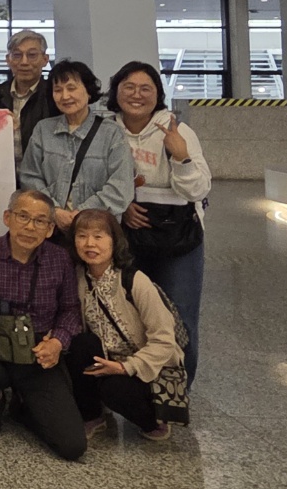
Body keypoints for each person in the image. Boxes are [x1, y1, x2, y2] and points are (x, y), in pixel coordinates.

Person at [0, 189, 86, 460]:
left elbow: (71, 310)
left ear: (50, 229)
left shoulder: (60, 260)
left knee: (72, 446)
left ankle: (23, 407)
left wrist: (58, 341)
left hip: (38, 352)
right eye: (23, 216)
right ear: (7, 218)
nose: (30, 227)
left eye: (39, 221)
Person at [107, 61, 211, 383]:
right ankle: (136, 392)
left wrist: (181, 156)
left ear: (158, 94)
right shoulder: (107, 130)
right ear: (116, 91)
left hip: (178, 239)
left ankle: (177, 393)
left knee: (179, 317)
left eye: (145, 88)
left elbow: (199, 189)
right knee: (129, 314)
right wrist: (123, 204)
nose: (136, 95)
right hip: (126, 237)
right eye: (128, 87)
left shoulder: (177, 131)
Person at [66, 209, 184, 441]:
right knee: (80, 344)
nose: (90, 244)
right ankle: (92, 416)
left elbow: (164, 341)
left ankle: (152, 420)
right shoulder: (78, 277)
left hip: (145, 365)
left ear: (114, 240)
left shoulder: (135, 281)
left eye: (98, 236)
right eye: (82, 236)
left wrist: (125, 367)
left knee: (115, 389)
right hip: (107, 358)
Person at [19, 60, 134, 233]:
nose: (65, 96)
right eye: (58, 90)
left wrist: (81, 214)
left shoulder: (112, 133)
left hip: (96, 230)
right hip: (51, 228)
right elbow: (30, 176)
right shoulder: (43, 129)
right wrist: (55, 211)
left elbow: (121, 187)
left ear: (88, 91)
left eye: (71, 88)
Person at [0, 29, 59, 174]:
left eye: (32, 55)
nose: (24, 62)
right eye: (17, 55)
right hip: (5, 174)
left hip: (43, 174)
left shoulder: (53, 94)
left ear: (45, 59)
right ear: (8, 60)